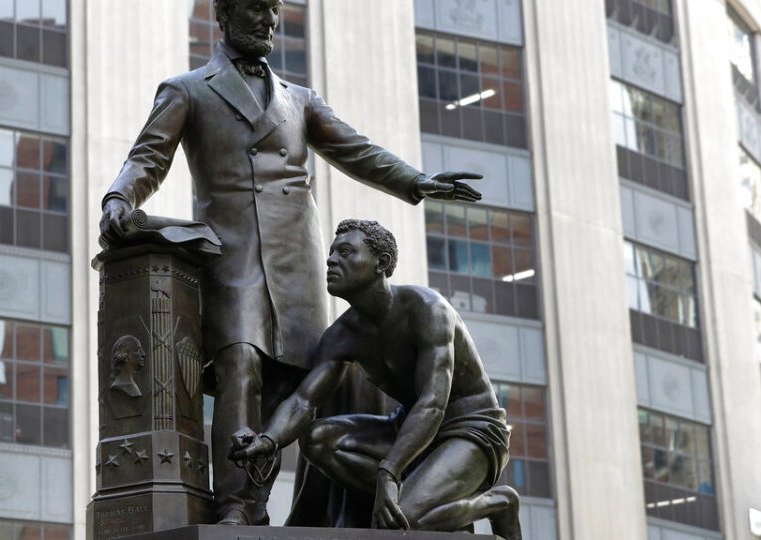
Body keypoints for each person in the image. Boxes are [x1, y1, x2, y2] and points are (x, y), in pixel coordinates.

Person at [98, 0, 482, 525]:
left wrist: (415, 181)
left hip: (298, 259)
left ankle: (268, 509)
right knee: (240, 365)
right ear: (225, 14)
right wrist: (120, 199)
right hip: (231, 256)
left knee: (288, 384)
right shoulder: (186, 89)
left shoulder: (299, 100)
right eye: (257, 9)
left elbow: (357, 149)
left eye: (275, 11)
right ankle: (235, 507)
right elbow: (148, 155)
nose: (269, 21)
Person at [230, 220, 521, 538]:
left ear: (381, 263)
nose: (331, 260)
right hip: (408, 430)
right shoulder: (342, 335)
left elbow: (433, 403)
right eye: (331, 253)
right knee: (318, 439)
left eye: (345, 252)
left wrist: (389, 470)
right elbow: (304, 401)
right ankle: (427, 497)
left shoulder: (428, 311)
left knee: (406, 520)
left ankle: (496, 503)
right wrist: (268, 439)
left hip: (470, 430)